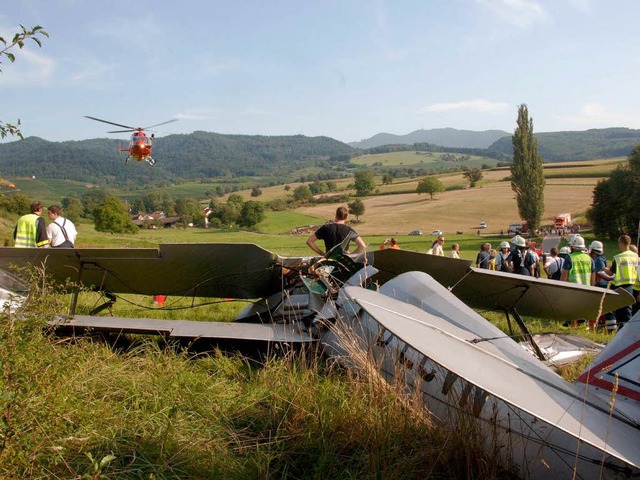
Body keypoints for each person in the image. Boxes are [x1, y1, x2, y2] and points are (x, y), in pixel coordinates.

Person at [602, 235, 639, 329]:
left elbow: (610, 273)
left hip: (619, 287)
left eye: (619, 243)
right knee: (627, 311)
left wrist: (603, 268)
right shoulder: (636, 256)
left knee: (617, 309)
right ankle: (627, 332)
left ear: (622, 243)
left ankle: (617, 330)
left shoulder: (618, 257)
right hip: (631, 287)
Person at [589, 240, 616, 332]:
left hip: (600, 285)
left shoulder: (598, 259)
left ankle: (605, 327)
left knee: (600, 307)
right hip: (602, 285)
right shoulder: (601, 258)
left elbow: (601, 272)